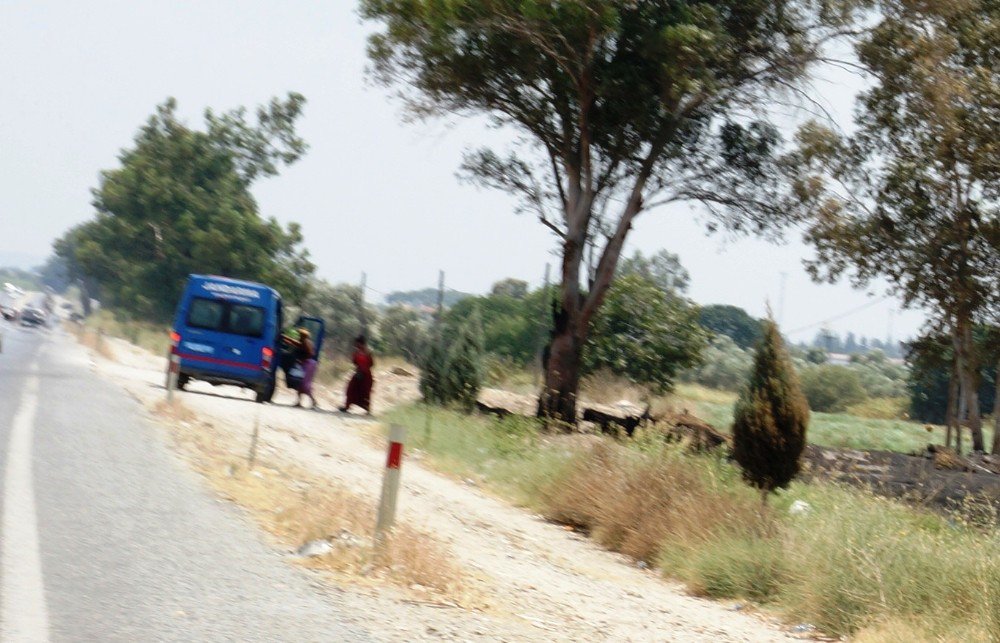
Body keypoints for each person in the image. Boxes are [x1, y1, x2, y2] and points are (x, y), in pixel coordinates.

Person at [340, 335, 374, 414]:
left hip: (366, 375)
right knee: (351, 389)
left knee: (365, 392)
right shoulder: (356, 352)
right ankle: (347, 406)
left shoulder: (368, 352)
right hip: (358, 373)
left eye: (357, 343)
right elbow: (354, 362)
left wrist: (364, 368)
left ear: (361, 343)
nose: (356, 345)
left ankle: (367, 409)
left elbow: (371, 363)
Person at [293, 328, 319, 409]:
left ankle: (313, 401)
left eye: (299, 335)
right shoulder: (305, 342)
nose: (298, 336)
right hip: (308, 364)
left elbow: (310, 353)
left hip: (308, 364)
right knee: (301, 383)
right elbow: (296, 344)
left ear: (302, 336)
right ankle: (299, 401)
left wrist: (301, 360)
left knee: (304, 384)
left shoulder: (305, 343)